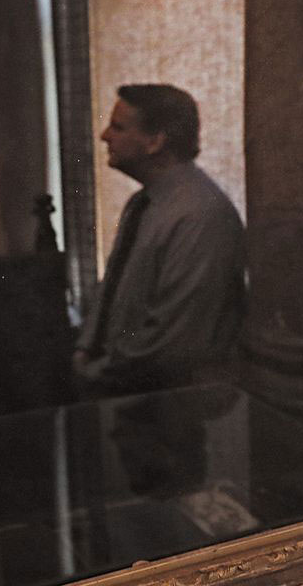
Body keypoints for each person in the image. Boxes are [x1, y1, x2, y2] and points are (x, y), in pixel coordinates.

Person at [72, 84, 246, 397]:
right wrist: (86, 350)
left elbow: (175, 337)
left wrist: (97, 373)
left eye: (118, 127)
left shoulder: (200, 215)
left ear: (155, 141)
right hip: (127, 392)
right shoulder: (142, 204)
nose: (104, 136)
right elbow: (115, 292)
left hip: (172, 401)